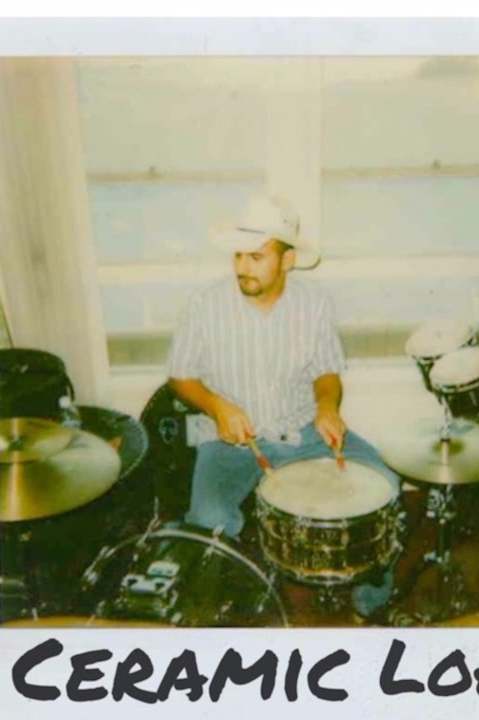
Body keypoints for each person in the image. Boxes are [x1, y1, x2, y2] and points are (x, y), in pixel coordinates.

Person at [165, 191, 399, 617]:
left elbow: (327, 372)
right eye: (238, 256)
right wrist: (217, 407)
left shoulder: (315, 303)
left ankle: (373, 601)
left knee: (385, 485)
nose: (242, 267)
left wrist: (327, 407)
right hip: (230, 440)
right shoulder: (204, 305)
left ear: (287, 260)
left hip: (303, 430)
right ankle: (229, 612)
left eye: (256, 257)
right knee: (209, 518)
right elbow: (180, 376)